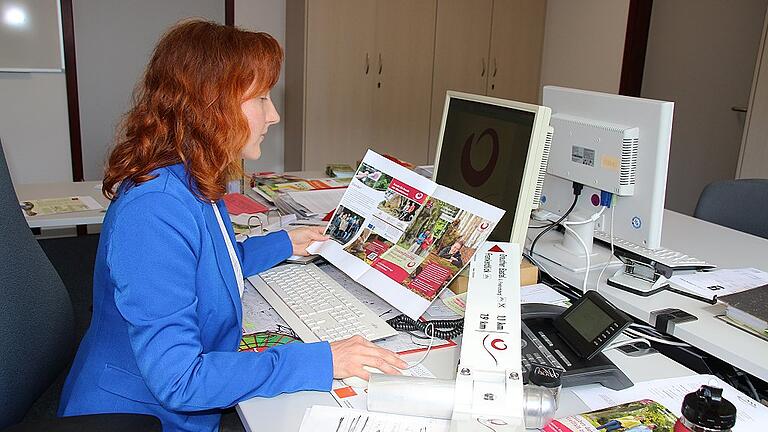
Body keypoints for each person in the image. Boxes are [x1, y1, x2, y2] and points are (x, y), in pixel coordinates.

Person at [57, 20, 406, 432]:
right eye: (260, 98)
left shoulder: (188, 175)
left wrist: (284, 244)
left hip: (164, 402)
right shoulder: (153, 212)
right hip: (137, 415)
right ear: (208, 107)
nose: (273, 115)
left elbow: (210, 262)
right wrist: (321, 360)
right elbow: (180, 381)